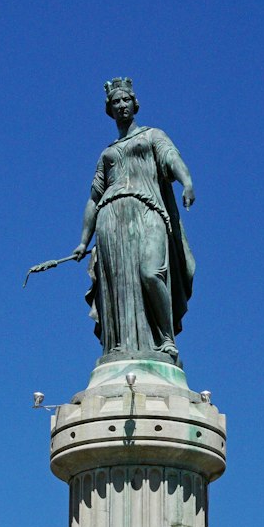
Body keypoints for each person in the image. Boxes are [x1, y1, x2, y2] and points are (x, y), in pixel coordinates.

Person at [63, 78, 195, 363]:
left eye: (125, 100)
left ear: (135, 104)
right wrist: (83, 240)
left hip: (148, 210)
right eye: (115, 102)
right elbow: (93, 198)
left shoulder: (152, 136)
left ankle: (165, 338)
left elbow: (171, 158)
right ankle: (119, 346)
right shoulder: (107, 154)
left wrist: (186, 182)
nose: (121, 105)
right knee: (119, 286)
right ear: (109, 110)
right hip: (111, 220)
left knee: (150, 272)